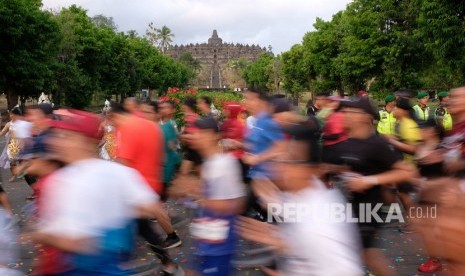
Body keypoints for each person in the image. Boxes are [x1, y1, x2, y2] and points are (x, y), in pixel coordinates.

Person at [27, 110, 180, 275]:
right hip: (112, 265)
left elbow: (76, 242)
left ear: (85, 142)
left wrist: (39, 234)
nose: (57, 141)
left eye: (67, 136)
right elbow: (150, 206)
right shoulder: (119, 172)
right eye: (59, 135)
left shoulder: (63, 180)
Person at [237, 123, 362, 275]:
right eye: (279, 158)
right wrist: (285, 240)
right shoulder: (310, 192)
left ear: (311, 170)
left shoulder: (318, 230)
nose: (280, 167)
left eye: (290, 160)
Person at [328, 98, 417, 276]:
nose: (344, 115)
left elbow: (406, 172)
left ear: (364, 117)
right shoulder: (347, 143)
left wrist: (370, 181)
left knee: (367, 254)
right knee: (362, 253)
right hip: (353, 206)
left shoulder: (376, 144)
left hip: (372, 207)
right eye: (343, 112)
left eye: (350, 112)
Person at [110, 102, 182, 250]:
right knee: (151, 216)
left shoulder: (132, 128)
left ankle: (168, 252)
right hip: (150, 179)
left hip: (141, 182)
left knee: (146, 223)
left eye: (148, 111)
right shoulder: (152, 127)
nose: (144, 114)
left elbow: (125, 161)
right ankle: (169, 245)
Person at [186, 116, 246, 276]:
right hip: (206, 239)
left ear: (215, 135)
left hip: (219, 245)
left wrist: (198, 196)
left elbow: (235, 205)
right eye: (196, 133)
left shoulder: (224, 164)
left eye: (202, 133)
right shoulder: (209, 163)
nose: (197, 137)